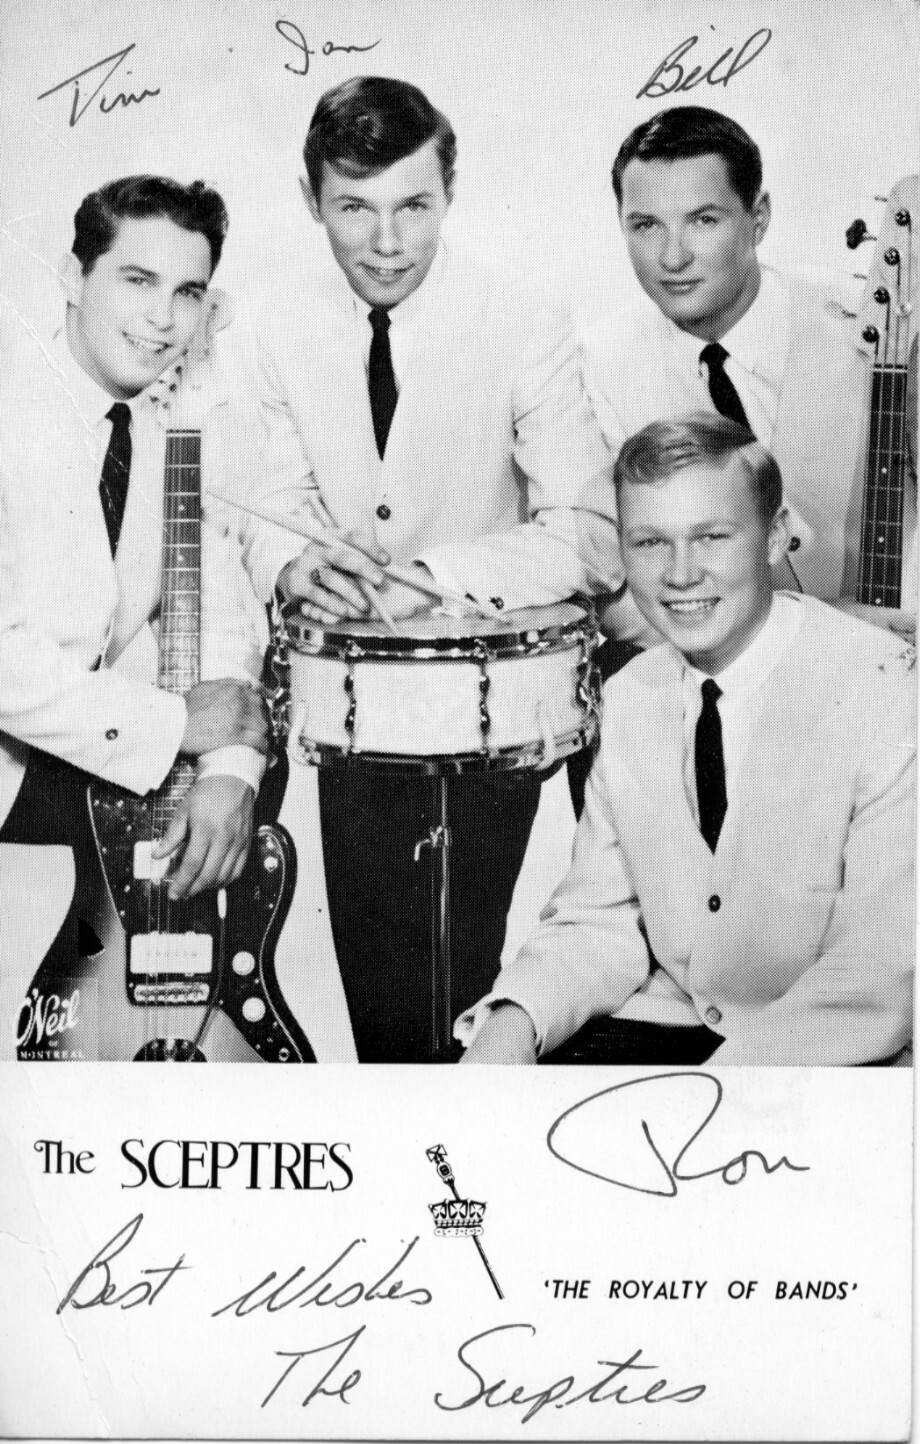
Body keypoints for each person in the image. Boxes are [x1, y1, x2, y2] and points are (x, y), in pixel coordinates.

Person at [227, 76, 620, 1062]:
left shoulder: (524, 317)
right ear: (310, 198)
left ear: (450, 191)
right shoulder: (269, 324)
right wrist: (293, 561)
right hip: (347, 702)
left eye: (413, 206)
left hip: (485, 704)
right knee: (383, 1006)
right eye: (354, 209)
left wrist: (430, 573)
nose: (387, 243)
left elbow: (587, 530)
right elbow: (269, 500)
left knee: (461, 979)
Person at [458, 414, 915, 1067]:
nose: (680, 574)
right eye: (650, 542)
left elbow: (877, 975)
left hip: (827, 1056)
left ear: (775, 536)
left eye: (712, 537)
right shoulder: (632, 694)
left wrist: (707, 1093)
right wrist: (512, 1022)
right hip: (673, 1026)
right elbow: (600, 918)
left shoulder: (885, 690)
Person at [0, 175, 268, 977]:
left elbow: (224, 613)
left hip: (75, 779)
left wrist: (231, 773)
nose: (163, 319)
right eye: (137, 280)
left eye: (187, 293)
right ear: (71, 275)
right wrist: (175, 725)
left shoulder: (165, 430)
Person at [582, 104, 915, 650]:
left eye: (703, 220)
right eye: (646, 225)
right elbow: (612, 589)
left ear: (759, 218)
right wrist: (802, 629)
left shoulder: (875, 332)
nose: (673, 257)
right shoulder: (600, 371)